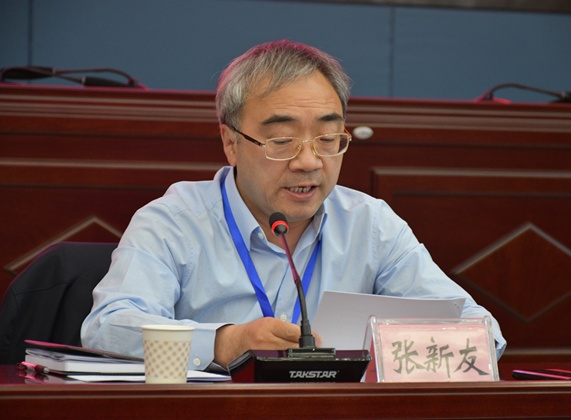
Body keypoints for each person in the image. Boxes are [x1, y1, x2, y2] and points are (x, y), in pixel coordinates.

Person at [81, 40, 506, 371]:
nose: (309, 161)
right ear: (231, 143)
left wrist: (388, 352)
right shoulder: (174, 221)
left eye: (328, 139)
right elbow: (107, 328)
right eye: (282, 141)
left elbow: (481, 332)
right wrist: (226, 342)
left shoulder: (371, 224)